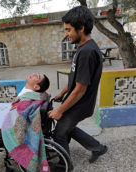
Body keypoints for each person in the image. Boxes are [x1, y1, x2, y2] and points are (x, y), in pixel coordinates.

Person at [48, 6, 108, 164]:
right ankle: (97, 148)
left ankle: (64, 166)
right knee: (68, 127)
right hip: (79, 102)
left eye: (68, 30)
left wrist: (60, 111)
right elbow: (76, 78)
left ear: (81, 28)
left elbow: (80, 89)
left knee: (60, 132)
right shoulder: (83, 48)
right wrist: (62, 93)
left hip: (80, 104)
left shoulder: (87, 52)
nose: (66, 34)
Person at [0, 73, 50, 169]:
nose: (34, 74)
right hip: (14, 116)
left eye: (37, 76)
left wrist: (7, 120)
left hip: (17, 126)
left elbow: (18, 124)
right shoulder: (29, 93)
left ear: (36, 86)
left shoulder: (27, 100)